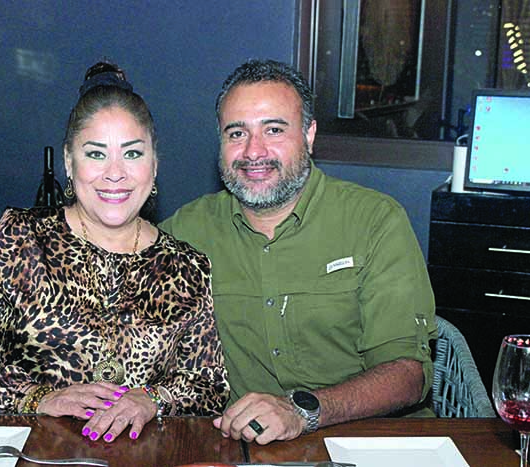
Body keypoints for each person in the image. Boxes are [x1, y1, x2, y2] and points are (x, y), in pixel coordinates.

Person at [0, 61, 229, 442]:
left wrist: (155, 399)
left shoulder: (187, 268)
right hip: (29, 453)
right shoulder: (18, 241)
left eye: (132, 154)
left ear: (154, 166)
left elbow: (208, 385)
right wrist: (35, 397)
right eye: (96, 154)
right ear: (69, 162)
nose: (115, 173)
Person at [160, 59, 437, 444]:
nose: (253, 151)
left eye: (274, 130)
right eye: (237, 133)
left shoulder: (375, 221)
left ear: (309, 135)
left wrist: (303, 411)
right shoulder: (187, 231)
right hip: (247, 448)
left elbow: (408, 375)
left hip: (369, 440)